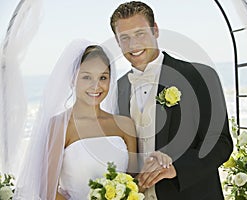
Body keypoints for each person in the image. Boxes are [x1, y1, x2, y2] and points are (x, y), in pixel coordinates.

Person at [110, 1, 233, 199]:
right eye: (125, 38)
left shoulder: (200, 76)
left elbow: (220, 143)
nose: (133, 45)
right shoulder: (117, 89)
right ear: (117, 42)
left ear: (155, 30)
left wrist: (175, 168)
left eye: (140, 33)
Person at [14, 39, 139, 200]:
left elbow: (135, 182)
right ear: (73, 79)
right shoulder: (61, 125)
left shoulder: (125, 125)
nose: (96, 86)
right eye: (87, 77)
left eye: (103, 77)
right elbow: (48, 191)